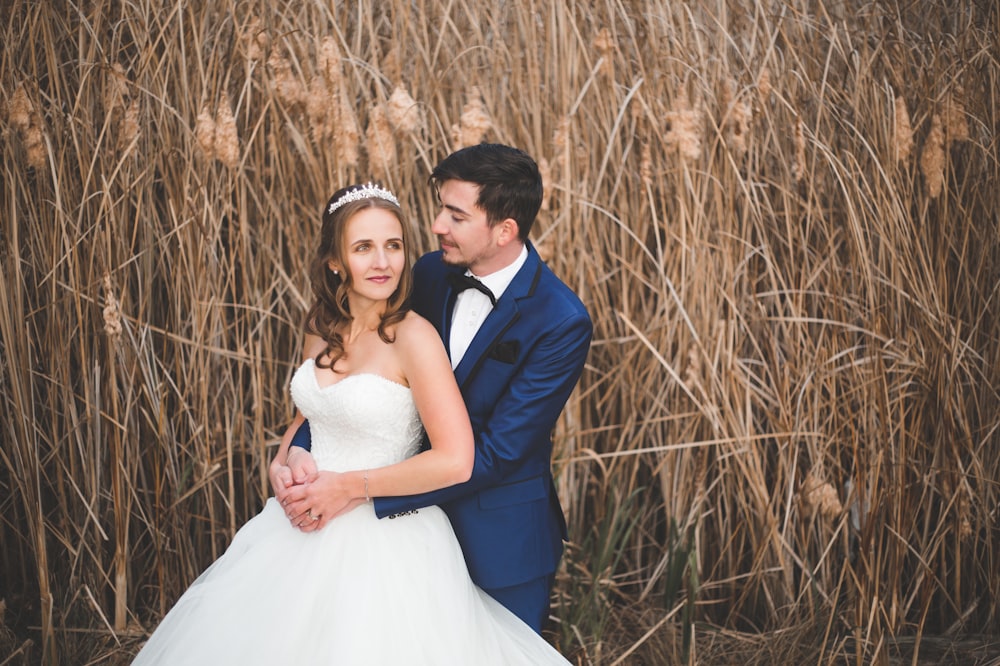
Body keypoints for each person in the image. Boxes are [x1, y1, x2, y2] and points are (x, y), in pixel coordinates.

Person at [133, 183, 572, 664]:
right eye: (364, 247)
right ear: (335, 261)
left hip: (386, 538)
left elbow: (455, 458)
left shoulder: (414, 338)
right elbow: (306, 419)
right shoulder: (320, 325)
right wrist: (283, 464)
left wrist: (345, 488)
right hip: (300, 522)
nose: (382, 262)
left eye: (394, 245)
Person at [274, 143, 593, 634]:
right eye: (440, 208)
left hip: (497, 538)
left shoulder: (561, 320)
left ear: (505, 229)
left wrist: (357, 490)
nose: (438, 225)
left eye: (456, 215)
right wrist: (294, 455)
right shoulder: (425, 272)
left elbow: (497, 452)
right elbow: (351, 380)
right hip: (377, 535)